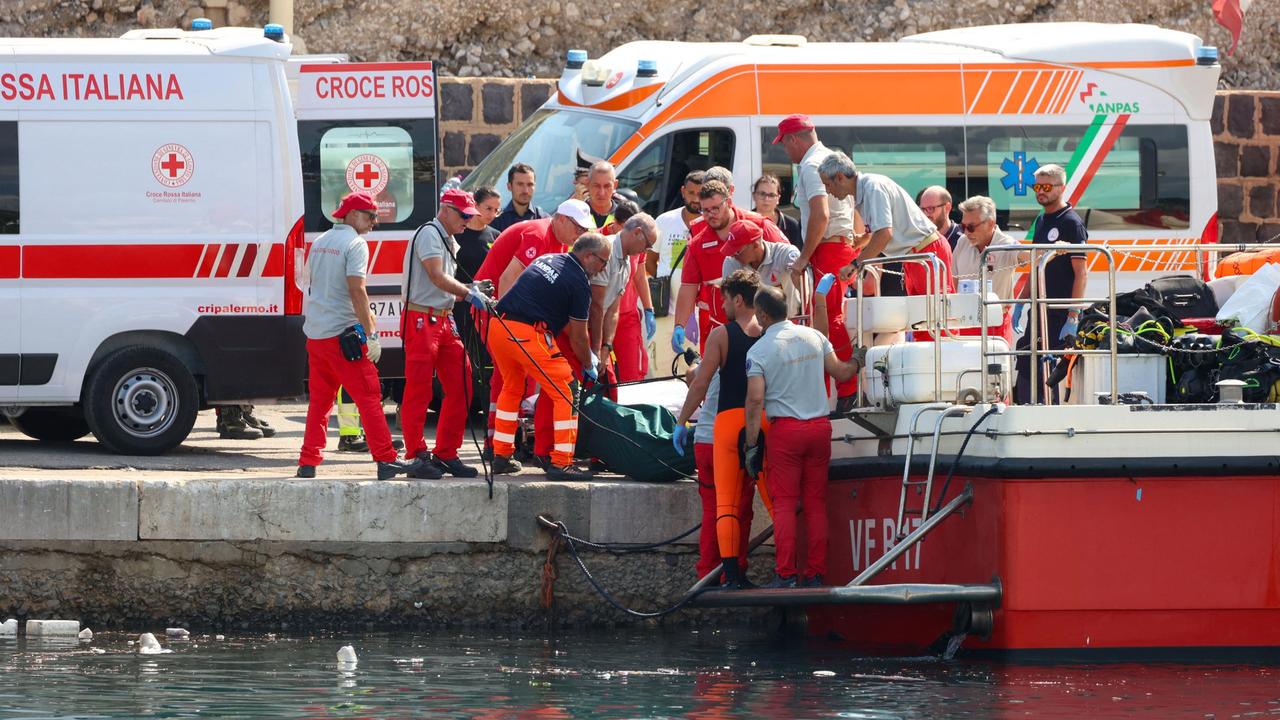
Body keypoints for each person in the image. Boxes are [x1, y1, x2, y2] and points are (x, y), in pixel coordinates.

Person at [743, 286, 863, 588]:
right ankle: (816, 573)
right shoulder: (814, 337)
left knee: (784, 504)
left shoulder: (758, 351)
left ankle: (785, 575)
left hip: (787, 432)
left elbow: (755, 401)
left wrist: (751, 445)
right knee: (815, 503)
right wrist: (859, 359)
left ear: (761, 314)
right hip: (820, 428)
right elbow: (842, 373)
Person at [296, 191, 420, 480]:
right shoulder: (356, 243)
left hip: (316, 335)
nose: (374, 222)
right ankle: (386, 460)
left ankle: (308, 462)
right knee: (369, 397)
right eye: (370, 215)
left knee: (319, 402)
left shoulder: (320, 242)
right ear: (352, 215)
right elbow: (357, 290)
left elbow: (309, 283)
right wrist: (372, 334)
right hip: (343, 336)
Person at [674, 269, 772, 589]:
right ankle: (739, 572)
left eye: (725, 298)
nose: (722, 304)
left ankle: (709, 575)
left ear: (739, 299)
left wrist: (680, 422)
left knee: (716, 509)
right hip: (753, 434)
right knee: (742, 510)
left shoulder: (720, 336)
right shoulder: (769, 335)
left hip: (714, 436)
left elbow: (699, 382)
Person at [473, 199, 595, 454]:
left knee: (517, 379)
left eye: (583, 231)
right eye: (577, 228)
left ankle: (505, 444)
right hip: (495, 309)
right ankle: (495, 442)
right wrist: (507, 324)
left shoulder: (561, 241)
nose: (579, 235)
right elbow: (508, 279)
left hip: (511, 314)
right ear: (561, 219)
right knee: (507, 376)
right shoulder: (539, 235)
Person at [488, 234, 611, 482]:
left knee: (512, 388)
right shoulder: (579, 283)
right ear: (588, 256)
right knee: (567, 388)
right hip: (527, 332)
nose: (603, 268)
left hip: (498, 327)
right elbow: (578, 337)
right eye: (603, 262)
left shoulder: (548, 259)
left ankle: (501, 455)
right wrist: (589, 363)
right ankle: (562, 463)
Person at [398, 189, 495, 479]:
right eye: (464, 215)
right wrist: (469, 292)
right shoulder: (429, 233)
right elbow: (436, 276)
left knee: (463, 384)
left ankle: (445, 453)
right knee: (419, 390)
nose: (468, 220)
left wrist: (473, 287)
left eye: (470, 215)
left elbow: (442, 281)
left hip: (441, 317)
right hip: (421, 317)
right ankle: (416, 455)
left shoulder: (446, 237)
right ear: (447, 210)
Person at [775, 115, 860, 406]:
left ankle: (847, 392)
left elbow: (821, 215)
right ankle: (839, 391)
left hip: (828, 250)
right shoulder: (835, 157)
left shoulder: (811, 166)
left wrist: (802, 259)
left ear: (793, 140)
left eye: (785, 146)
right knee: (826, 319)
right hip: (839, 247)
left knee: (827, 318)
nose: (786, 152)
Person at [672, 177, 787, 355]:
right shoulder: (697, 244)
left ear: (729, 202)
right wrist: (680, 324)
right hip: (722, 327)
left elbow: (789, 259)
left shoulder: (759, 225)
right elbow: (688, 286)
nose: (710, 215)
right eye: (705, 210)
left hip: (768, 326)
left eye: (716, 208)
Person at [819, 151, 956, 298]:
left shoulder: (873, 188)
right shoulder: (865, 190)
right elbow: (882, 228)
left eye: (827, 184)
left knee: (938, 315)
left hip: (926, 251)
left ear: (840, 177)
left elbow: (885, 233)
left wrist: (855, 264)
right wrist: (864, 239)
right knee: (923, 316)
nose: (827, 191)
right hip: (918, 253)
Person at [1014, 164, 1088, 405]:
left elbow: (1081, 274)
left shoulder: (1071, 223)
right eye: (1037, 187)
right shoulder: (1043, 220)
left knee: (1051, 370)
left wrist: (1073, 316)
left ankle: (1052, 415)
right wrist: (1020, 303)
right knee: (1026, 363)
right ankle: (1028, 410)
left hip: (1059, 311)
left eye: (1046, 187)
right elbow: (1037, 265)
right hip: (1039, 310)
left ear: (1061, 188)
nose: (1040, 192)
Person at [651, 171, 704, 372]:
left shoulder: (712, 224)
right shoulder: (665, 221)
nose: (695, 199)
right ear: (683, 192)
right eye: (691, 193)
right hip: (666, 311)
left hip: (698, 316)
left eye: (700, 194)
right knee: (662, 370)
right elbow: (650, 261)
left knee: (695, 370)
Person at [606, 201, 658, 383]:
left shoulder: (639, 246)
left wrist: (649, 308)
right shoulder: (599, 242)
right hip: (601, 317)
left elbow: (640, 276)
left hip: (627, 317)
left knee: (634, 373)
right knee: (605, 375)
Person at [454, 186, 501, 349]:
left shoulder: (496, 236)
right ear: (475, 205)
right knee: (463, 352)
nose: (492, 214)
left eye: (496, 210)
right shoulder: (458, 233)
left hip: (487, 305)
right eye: (488, 208)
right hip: (461, 304)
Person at [720, 218, 804, 306]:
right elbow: (730, 302)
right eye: (731, 251)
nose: (733, 256)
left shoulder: (785, 253)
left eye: (737, 251)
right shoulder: (731, 262)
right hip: (752, 319)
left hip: (789, 318)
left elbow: (805, 286)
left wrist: (797, 275)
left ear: (755, 245)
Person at [954, 195, 1022, 301]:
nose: (966, 232)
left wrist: (1054, 250)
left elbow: (1033, 255)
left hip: (997, 315)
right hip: (964, 315)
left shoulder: (1006, 244)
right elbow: (952, 283)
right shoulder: (962, 242)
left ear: (990, 224)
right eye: (963, 227)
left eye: (971, 227)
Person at [490, 163, 547, 234]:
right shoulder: (497, 221)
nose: (525, 190)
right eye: (520, 184)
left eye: (530, 185)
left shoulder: (543, 220)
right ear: (509, 186)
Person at [751, 174, 801, 249]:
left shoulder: (791, 225)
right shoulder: (743, 222)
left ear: (778, 198)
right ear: (754, 196)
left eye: (771, 195)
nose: (766, 199)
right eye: (762, 194)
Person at [918, 185, 964, 252]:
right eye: (922, 209)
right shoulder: (919, 240)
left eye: (930, 209)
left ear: (947, 207)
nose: (926, 214)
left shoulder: (962, 240)